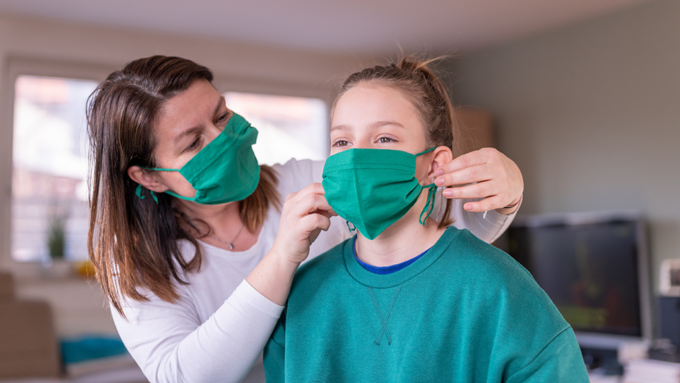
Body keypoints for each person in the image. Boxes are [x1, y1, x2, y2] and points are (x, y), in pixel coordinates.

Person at [86, 55, 524, 383]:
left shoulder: (308, 181)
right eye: (193, 143)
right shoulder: (136, 267)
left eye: (221, 116)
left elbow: (449, 226)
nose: (223, 139)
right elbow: (185, 376)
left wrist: (504, 193)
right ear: (149, 177)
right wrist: (281, 257)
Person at [263, 57, 589, 382]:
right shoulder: (302, 296)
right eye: (342, 142)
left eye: (384, 138)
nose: (355, 158)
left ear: (435, 166)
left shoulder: (498, 290)